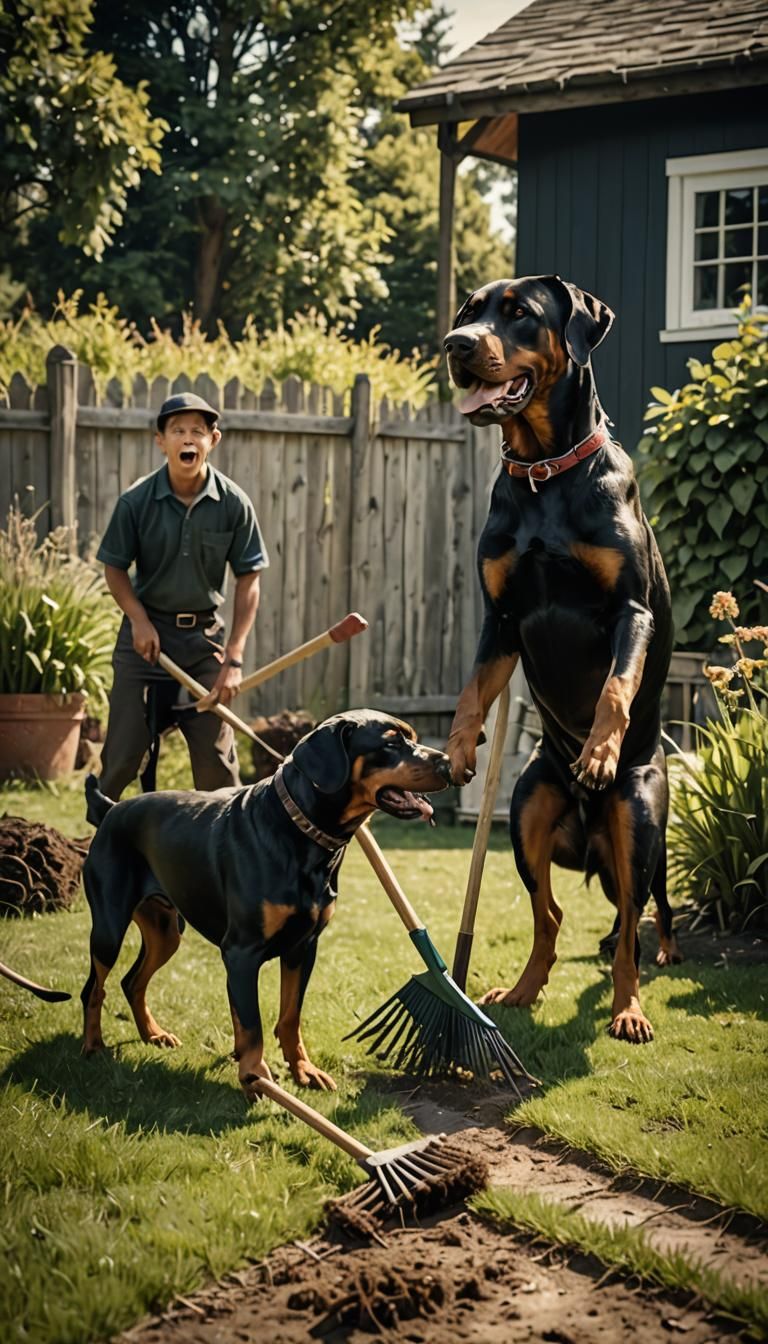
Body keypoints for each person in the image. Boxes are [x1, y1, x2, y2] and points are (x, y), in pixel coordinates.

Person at [93, 392, 268, 803]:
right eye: (177, 431)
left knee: (217, 763)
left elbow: (249, 579)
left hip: (202, 640)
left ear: (213, 440)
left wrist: (234, 658)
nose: (187, 439)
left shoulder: (233, 504)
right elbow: (114, 568)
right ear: (161, 441)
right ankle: (101, 842)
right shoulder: (136, 503)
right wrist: (137, 619)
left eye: (197, 431)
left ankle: (223, 853)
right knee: (121, 755)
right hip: (145, 636)